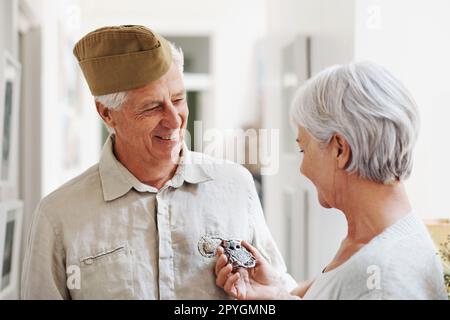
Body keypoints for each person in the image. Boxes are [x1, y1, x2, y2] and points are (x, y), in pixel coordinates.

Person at [21, 25, 296, 299]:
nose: (175, 120)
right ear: (107, 114)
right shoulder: (58, 216)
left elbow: (279, 287)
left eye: (178, 99)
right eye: (152, 107)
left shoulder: (236, 186)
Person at [215, 61, 448, 300]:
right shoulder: (376, 244)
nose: (303, 169)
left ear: (339, 149)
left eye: (304, 150)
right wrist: (278, 294)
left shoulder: (382, 282)